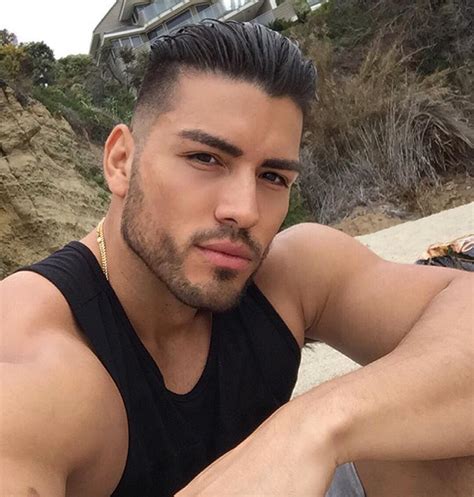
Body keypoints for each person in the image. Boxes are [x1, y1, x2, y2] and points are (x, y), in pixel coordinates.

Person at [1, 21, 472, 497]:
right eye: (205, 158)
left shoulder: (290, 275)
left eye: (272, 176)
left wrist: (313, 426)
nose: (245, 211)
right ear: (121, 160)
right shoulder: (34, 366)